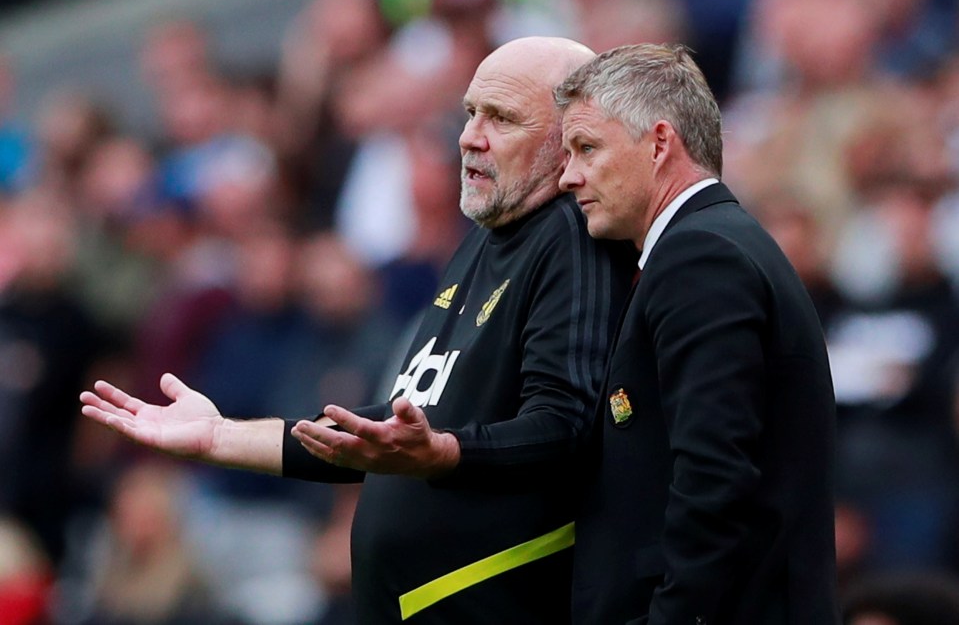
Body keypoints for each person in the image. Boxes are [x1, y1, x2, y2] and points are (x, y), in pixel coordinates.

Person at [80, 36, 637, 624]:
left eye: (502, 118)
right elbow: (391, 431)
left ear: (570, 138)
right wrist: (220, 437)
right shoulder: (487, 237)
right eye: (470, 112)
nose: (470, 136)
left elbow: (563, 427)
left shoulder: (572, 237)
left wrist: (444, 453)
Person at [555, 43, 840, 624]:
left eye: (587, 148)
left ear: (660, 143)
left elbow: (714, 476)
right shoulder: (714, 244)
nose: (569, 176)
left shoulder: (699, 256)